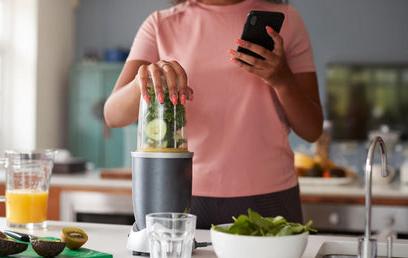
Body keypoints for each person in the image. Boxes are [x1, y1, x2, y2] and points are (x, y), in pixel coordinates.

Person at [104, 0, 323, 229]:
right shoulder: (160, 24)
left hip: (269, 197)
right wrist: (144, 80)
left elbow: (312, 130)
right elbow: (113, 115)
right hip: (181, 194)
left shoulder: (287, 19)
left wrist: (282, 79)